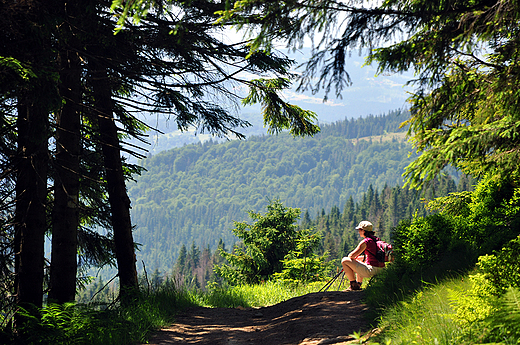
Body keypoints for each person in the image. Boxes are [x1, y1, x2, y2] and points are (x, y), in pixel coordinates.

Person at [341, 221, 385, 291]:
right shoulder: (376, 240)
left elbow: (351, 256)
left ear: (363, 231)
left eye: (359, 230)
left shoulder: (366, 242)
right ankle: (358, 284)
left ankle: (353, 285)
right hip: (381, 269)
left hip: (372, 270)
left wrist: (354, 259)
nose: (358, 231)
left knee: (344, 260)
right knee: (360, 259)